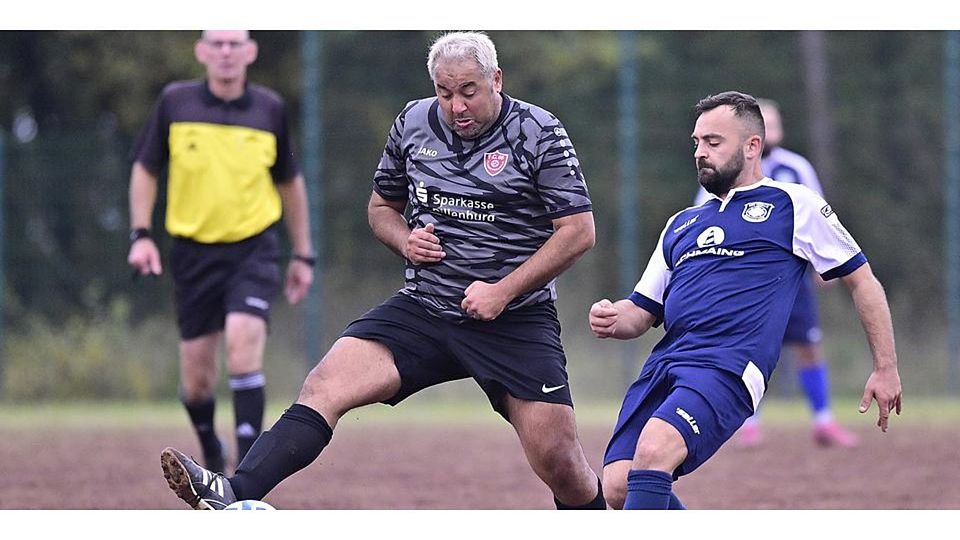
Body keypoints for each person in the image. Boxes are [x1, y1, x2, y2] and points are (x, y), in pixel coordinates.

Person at [159, 31, 606, 510]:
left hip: (515, 320)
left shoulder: (537, 130)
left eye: (469, 91)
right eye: (445, 92)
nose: (456, 105)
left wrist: (503, 291)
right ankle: (234, 492)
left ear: (496, 79)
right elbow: (380, 208)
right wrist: (404, 241)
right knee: (325, 384)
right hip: (426, 307)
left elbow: (578, 231)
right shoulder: (413, 122)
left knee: (560, 463)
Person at [589, 91, 902, 510]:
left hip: (728, 365)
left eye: (713, 142)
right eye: (697, 142)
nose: (700, 152)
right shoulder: (682, 223)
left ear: (752, 146)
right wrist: (613, 316)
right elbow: (642, 312)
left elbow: (863, 282)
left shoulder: (793, 204)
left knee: (654, 450)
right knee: (617, 485)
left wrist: (885, 367)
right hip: (665, 365)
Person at [128, 30, 315, 473]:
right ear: (202, 51)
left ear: (250, 52)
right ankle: (211, 447)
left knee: (243, 342)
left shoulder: (269, 108)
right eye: (218, 44)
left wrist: (303, 255)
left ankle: (245, 474)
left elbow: (291, 183)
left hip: (254, 249)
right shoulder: (175, 103)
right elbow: (145, 168)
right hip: (192, 254)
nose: (227, 53)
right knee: (196, 380)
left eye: (235, 44)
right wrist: (140, 234)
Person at [693, 98, 858, 447]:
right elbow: (701, 221)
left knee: (808, 346)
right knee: (746, 350)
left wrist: (821, 267)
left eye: (774, 123)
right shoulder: (722, 172)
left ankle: (823, 420)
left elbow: (819, 218)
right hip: (743, 284)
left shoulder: (795, 169)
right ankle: (748, 423)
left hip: (792, 280)